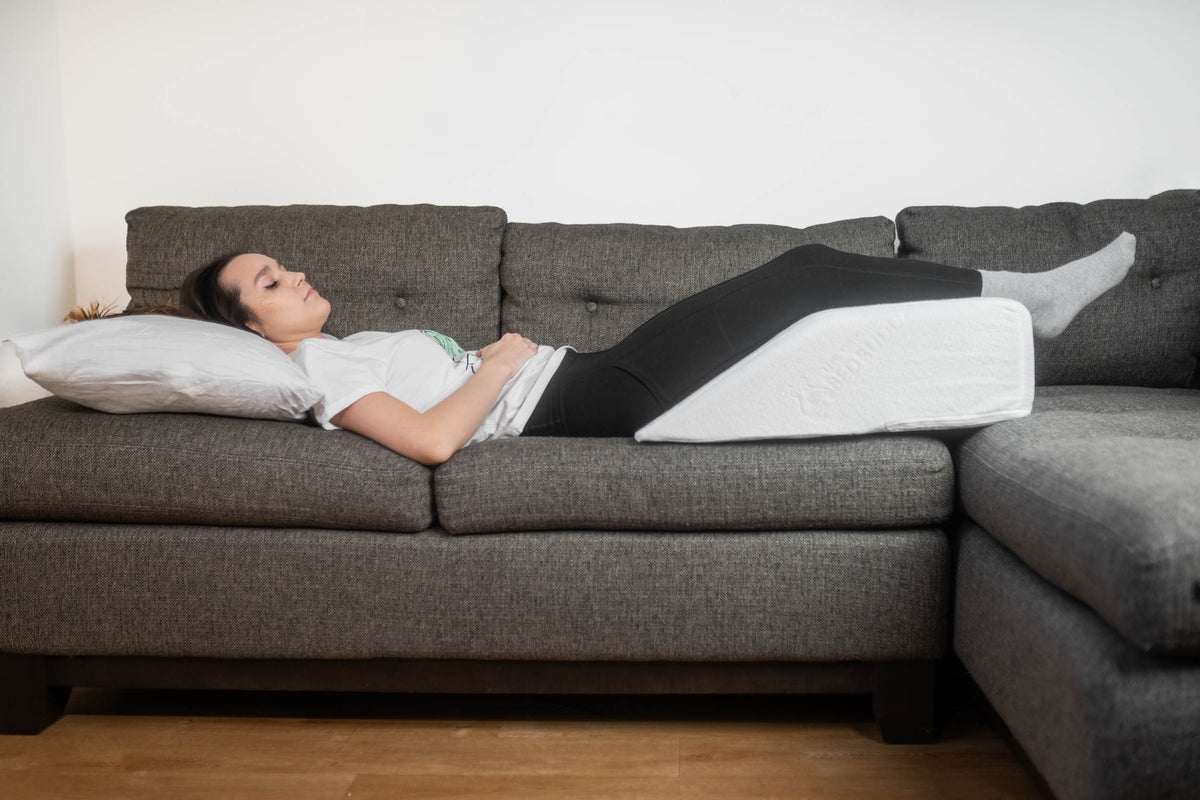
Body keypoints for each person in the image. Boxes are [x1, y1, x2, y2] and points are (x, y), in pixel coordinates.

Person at [181, 234, 1137, 465]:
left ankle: (1007, 314)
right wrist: (506, 365)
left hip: (580, 378)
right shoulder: (316, 367)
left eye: (282, 266)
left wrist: (486, 358)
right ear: (253, 329)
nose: (294, 277)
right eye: (270, 285)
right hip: (584, 396)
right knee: (804, 275)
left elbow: (436, 394)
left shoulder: (343, 343)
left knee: (808, 296)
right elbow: (430, 444)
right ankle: (1033, 299)